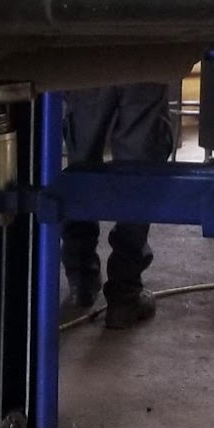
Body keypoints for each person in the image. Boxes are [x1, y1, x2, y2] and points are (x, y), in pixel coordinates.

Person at [62, 82, 174, 330]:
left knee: (82, 161)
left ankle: (81, 278)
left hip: (85, 63)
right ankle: (125, 294)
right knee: (139, 168)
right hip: (143, 62)